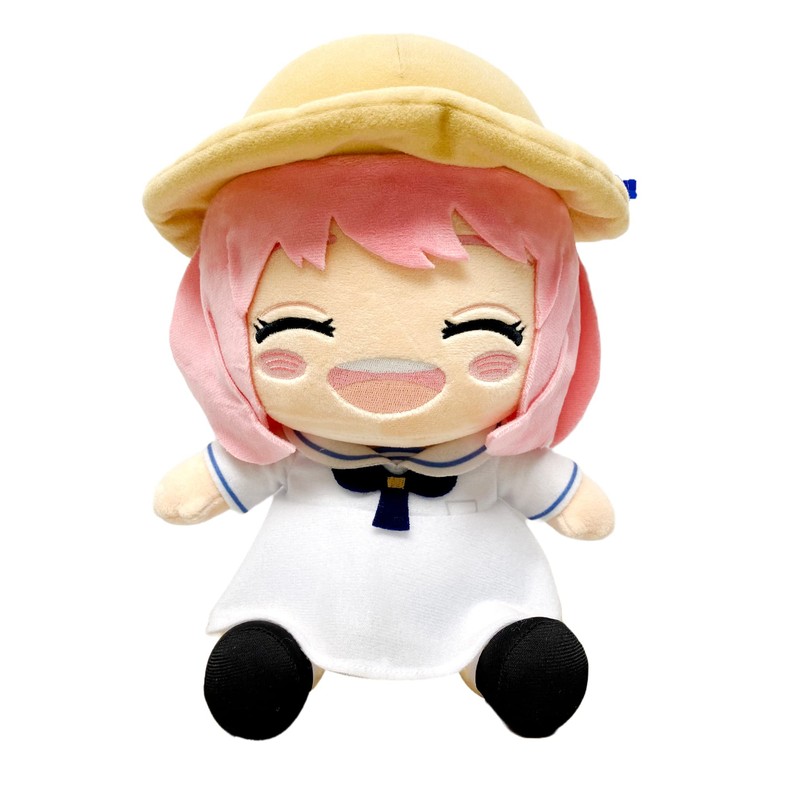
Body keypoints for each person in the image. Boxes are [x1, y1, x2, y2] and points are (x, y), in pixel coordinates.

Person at [145, 35, 629, 740]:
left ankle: (503, 653)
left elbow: (574, 505)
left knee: (522, 648)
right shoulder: (293, 451)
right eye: (293, 325)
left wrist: (575, 499)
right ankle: (280, 652)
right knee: (269, 646)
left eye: (485, 328)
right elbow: (207, 486)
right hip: (303, 597)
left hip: (480, 595)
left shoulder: (493, 458)